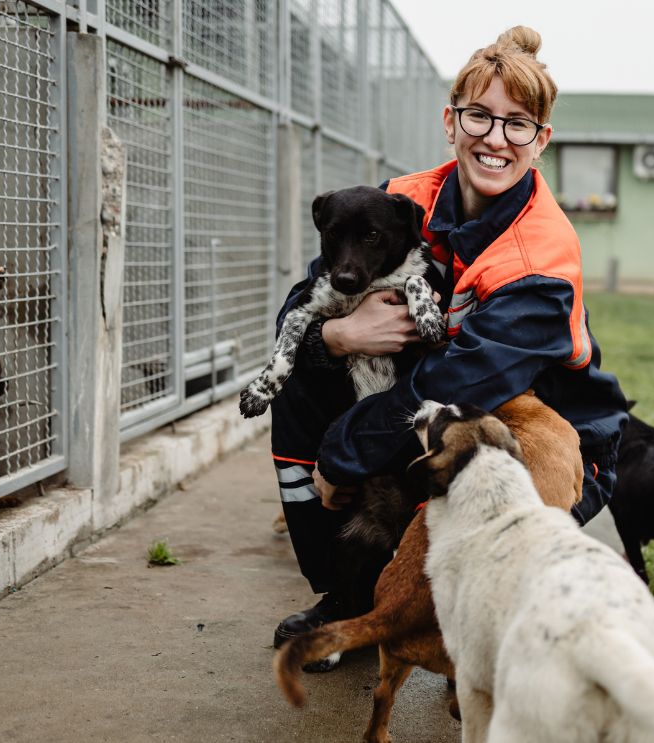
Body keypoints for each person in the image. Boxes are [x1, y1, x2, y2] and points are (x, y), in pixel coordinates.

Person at [266, 26, 630, 665]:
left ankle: (501, 625)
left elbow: (461, 385)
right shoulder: (402, 200)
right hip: (433, 404)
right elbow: (309, 295)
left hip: (537, 420)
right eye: (480, 116)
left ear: (540, 140)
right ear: (451, 121)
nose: (495, 138)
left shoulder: (543, 251)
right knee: (303, 363)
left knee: (510, 475)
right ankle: (346, 591)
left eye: (518, 124)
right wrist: (339, 334)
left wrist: (340, 454)